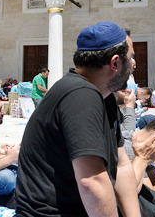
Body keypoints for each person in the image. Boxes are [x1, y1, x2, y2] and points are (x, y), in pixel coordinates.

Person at [16, 22, 140, 217]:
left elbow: (123, 165)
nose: (134, 64)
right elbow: (92, 182)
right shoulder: (81, 95)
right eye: (131, 57)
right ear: (115, 63)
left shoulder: (103, 97)